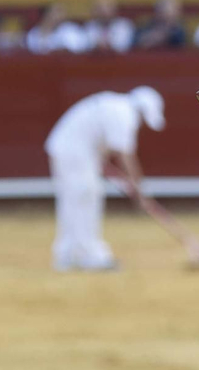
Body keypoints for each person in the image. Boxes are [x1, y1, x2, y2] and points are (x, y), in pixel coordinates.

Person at [44, 87, 166, 272]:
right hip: (76, 153)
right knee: (86, 198)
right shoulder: (124, 114)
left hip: (69, 149)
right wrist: (140, 193)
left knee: (73, 202)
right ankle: (90, 256)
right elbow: (125, 156)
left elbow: (108, 148)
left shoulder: (115, 106)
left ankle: (67, 256)